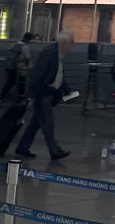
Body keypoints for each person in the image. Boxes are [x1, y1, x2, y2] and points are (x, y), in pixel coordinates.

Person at [15, 30, 72, 162]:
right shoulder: (50, 52)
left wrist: (67, 90)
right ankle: (54, 151)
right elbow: (38, 73)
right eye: (71, 42)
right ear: (63, 42)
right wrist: (30, 94)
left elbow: (58, 75)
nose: (71, 45)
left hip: (48, 94)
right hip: (43, 94)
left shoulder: (57, 54)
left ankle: (22, 147)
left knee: (35, 124)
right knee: (48, 123)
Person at [0, 31, 33, 101]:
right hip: (20, 67)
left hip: (11, 66)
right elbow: (27, 58)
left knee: (10, 82)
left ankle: (1, 96)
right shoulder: (25, 47)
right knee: (22, 82)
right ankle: (20, 98)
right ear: (29, 39)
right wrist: (26, 66)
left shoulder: (15, 44)